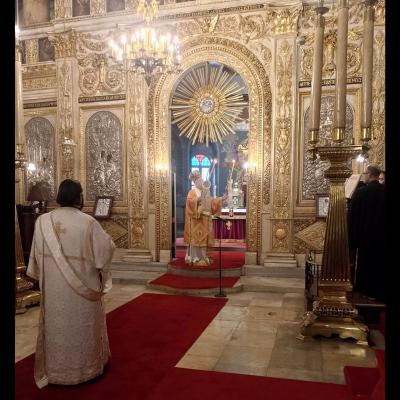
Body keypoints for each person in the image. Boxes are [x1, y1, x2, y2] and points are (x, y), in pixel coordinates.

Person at [27, 179, 115, 388]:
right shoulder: (87, 222)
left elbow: (36, 259)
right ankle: (85, 369)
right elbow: (104, 253)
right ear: (78, 197)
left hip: (53, 292)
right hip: (81, 294)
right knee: (80, 327)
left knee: (57, 329)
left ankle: (57, 371)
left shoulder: (42, 221)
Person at [348, 164, 385, 301]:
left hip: (365, 238)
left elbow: (353, 218)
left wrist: (352, 240)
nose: (364, 176)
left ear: (369, 175)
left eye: (364, 173)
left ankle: (365, 292)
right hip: (382, 238)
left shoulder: (361, 192)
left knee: (366, 266)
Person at [183, 170, 223, 266]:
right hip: (195, 221)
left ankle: (204, 257)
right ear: (196, 182)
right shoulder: (192, 192)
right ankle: (195, 258)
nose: (202, 182)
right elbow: (189, 203)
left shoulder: (206, 192)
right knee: (196, 239)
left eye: (202, 180)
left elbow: (212, 203)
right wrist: (198, 199)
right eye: (200, 181)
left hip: (205, 221)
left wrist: (221, 199)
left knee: (204, 238)